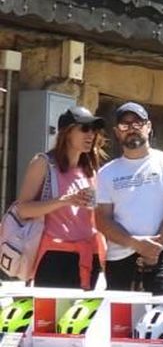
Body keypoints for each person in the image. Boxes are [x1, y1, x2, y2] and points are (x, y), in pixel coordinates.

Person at [96, 102, 163, 295]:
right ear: (117, 131)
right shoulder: (106, 173)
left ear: (148, 126)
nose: (132, 129)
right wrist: (134, 243)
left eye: (137, 124)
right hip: (119, 258)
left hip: (159, 255)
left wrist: (154, 247)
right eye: (125, 125)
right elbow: (102, 219)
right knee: (120, 323)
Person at [12, 106, 104, 289]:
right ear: (67, 132)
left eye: (94, 130)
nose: (91, 135)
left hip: (87, 256)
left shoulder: (90, 170)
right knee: (49, 317)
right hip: (53, 256)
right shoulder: (43, 163)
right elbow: (23, 209)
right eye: (84, 129)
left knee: (81, 317)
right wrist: (64, 200)